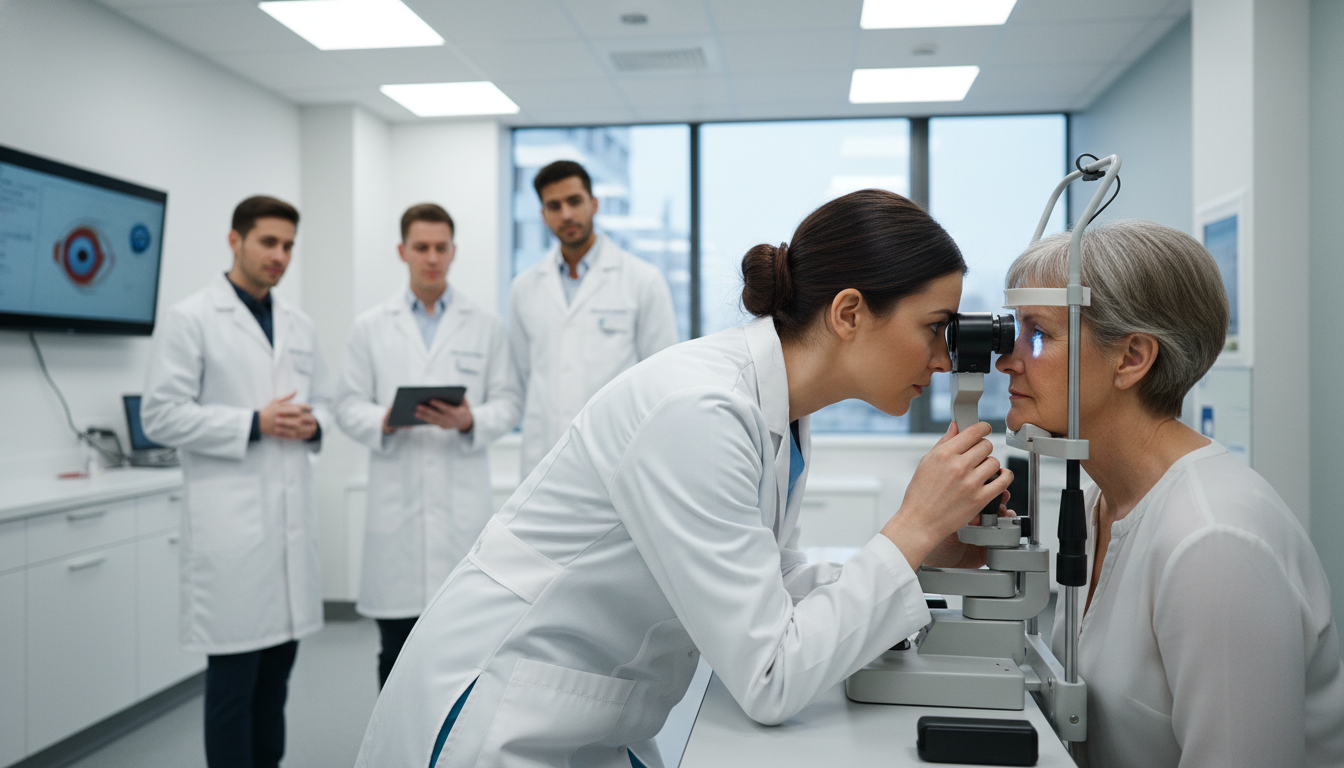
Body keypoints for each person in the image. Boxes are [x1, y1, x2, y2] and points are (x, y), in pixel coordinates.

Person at [355, 189, 1015, 768]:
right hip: (495, 710)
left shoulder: (777, 411)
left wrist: (921, 554)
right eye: (934, 329)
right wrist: (911, 529)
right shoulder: (701, 409)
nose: (940, 358)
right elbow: (772, 676)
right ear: (848, 313)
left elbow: (761, 583)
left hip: (582, 705)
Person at [995, 220, 1344, 768]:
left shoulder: (1214, 543)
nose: (1006, 359)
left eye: (1037, 334)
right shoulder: (1098, 502)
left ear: (1131, 357)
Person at [142, 196, 331, 768]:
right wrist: (254, 423)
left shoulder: (298, 323)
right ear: (235, 240)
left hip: (287, 529)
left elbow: (322, 400)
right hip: (231, 533)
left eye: (288, 246)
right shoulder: (191, 317)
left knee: (276, 681)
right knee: (232, 688)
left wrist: (313, 421)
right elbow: (161, 416)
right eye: (268, 242)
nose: (279, 256)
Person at [334, 203, 521, 688]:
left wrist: (468, 419)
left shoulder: (485, 325)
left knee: (461, 653)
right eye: (421, 248)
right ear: (403, 251)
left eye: (441, 248)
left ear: (453, 251)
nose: (432, 257)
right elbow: (346, 404)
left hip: (460, 512)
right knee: (395, 653)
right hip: (396, 514)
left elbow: (509, 403)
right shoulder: (371, 327)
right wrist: (386, 421)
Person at [509, 159, 678, 478]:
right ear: (543, 216)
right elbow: (522, 376)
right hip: (543, 459)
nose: (567, 214)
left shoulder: (643, 280)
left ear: (594, 204)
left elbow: (661, 382)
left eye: (574, 201)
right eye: (554, 206)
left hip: (615, 460)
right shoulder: (524, 288)